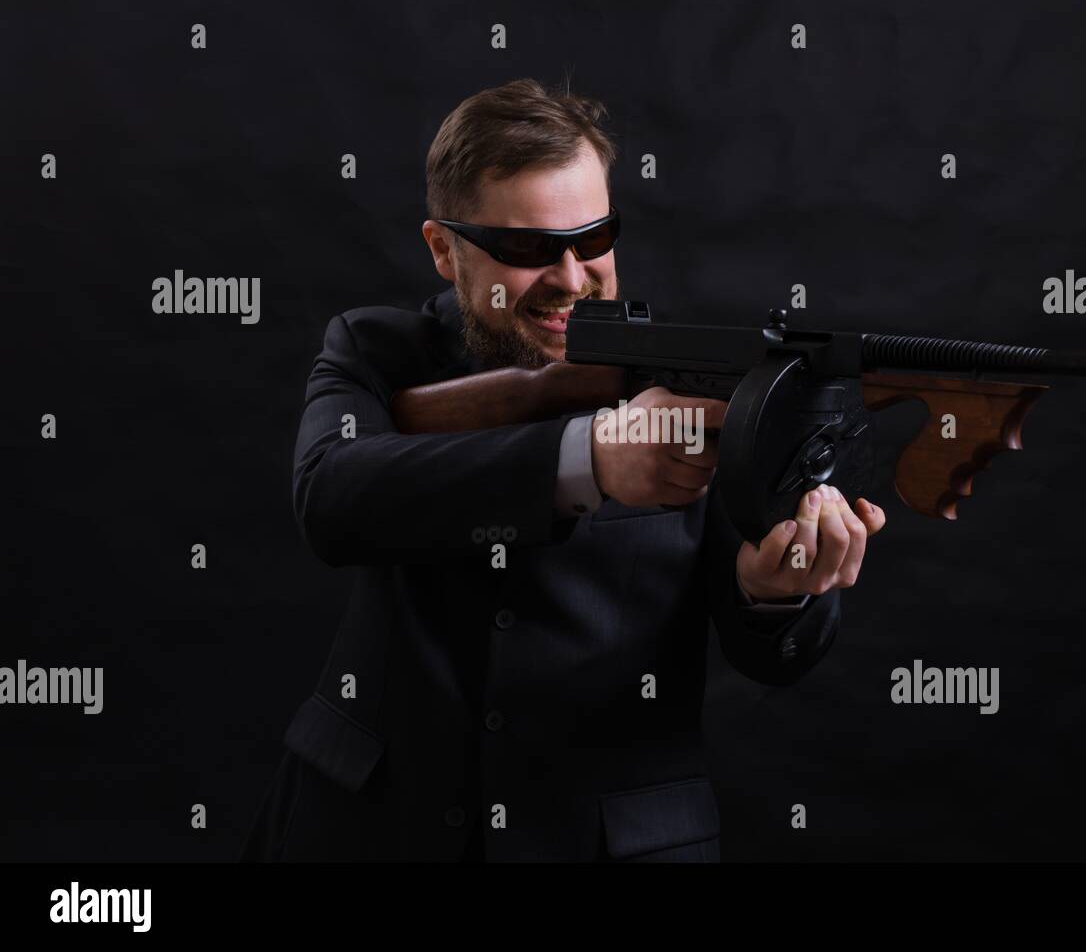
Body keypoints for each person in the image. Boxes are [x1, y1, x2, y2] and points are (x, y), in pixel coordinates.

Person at [240, 78, 885, 863]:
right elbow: (332, 500)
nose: (574, 279)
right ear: (444, 250)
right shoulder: (376, 352)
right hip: (368, 831)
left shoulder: (700, 381)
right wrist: (586, 461)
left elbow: (773, 657)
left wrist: (776, 590)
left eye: (596, 237)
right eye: (526, 249)